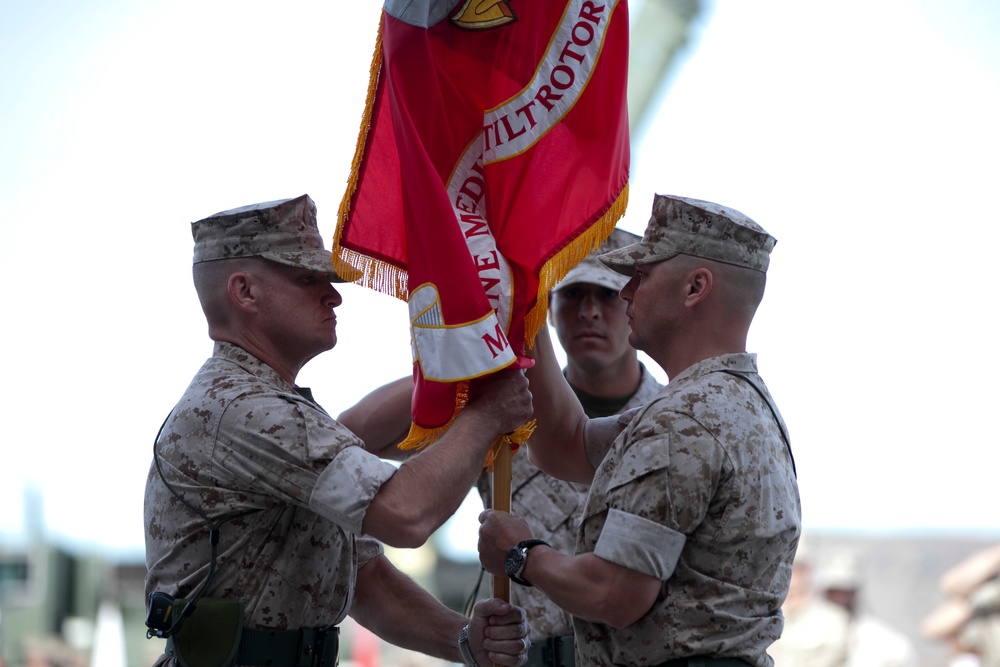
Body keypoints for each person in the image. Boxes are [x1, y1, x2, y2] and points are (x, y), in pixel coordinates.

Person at [143, 194, 533, 667]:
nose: (334, 294)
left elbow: (363, 578)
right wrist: (486, 414)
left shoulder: (271, 405)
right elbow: (407, 514)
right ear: (244, 293)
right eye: (307, 279)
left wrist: (464, 638)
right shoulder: (244, 410)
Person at [477, 193, 802, 667]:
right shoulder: (730, 402)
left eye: (641, 277)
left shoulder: (685, 420)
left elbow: (613, 595)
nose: (627, 292)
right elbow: (566, 444)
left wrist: (521, 554)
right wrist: (525, 310)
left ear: (695, 288)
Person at [338, 229, 663, 667]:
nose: (589, 312)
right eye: (572, 294)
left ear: (631, 305)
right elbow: (356, 434)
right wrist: (468, 366)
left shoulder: (671, 421)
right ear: (547, 307)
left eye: (606, 296)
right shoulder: (507, 409)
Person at [818, 550, 918, 667]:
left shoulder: (888, 644)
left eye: (847, 592)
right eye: (834, 592)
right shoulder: (807, 635)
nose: (841, 598)